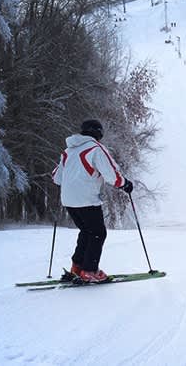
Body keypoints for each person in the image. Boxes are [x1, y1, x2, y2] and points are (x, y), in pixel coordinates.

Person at [52, 119, 133, 283]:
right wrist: (125, 184)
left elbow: (56, 177)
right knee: (98, 233)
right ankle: (90, 270)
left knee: (87, 231)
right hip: (86, 199)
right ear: (99, 133)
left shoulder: (68, 151)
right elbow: (111, 173)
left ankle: (77, 267)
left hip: (68, 200)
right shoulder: (96, 149)